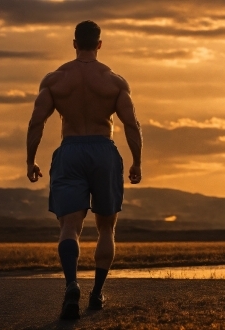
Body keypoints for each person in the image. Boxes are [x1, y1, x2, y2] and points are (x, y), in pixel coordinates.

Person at [25, 20, 142, 320]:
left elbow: (37, 122)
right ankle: (97, 291)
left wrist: (31, 160)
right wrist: (136, 162)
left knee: (69, 227)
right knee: (107, 228)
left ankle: (71, 284)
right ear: (100, 44)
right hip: (104, 150)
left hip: (71, 150)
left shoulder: (55, 80)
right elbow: (132, 124)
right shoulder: (114, 81)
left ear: (74, 43)